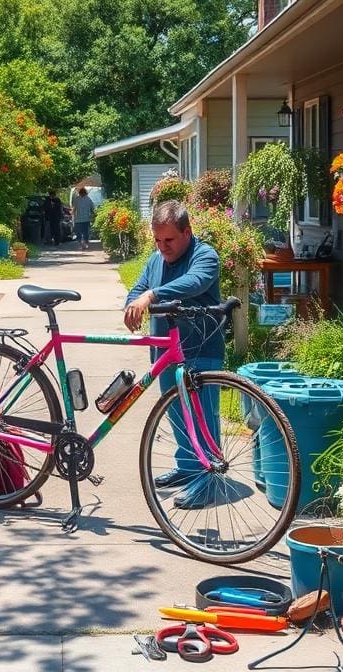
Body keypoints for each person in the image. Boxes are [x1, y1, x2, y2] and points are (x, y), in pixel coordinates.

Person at [125, 200, 224, 509]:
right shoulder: (156, 260)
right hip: (166, 351)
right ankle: (188, 468)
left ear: (187, 232)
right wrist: (132, 304)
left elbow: (194, 283)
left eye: (169, 239)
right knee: (177, 415)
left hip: (201, 350)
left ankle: (209, 480)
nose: (162, 246)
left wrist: (152, 295)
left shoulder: (205, 256)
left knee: (203, 419)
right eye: (157, 240)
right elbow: (138, 288)